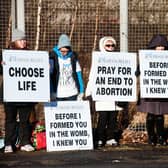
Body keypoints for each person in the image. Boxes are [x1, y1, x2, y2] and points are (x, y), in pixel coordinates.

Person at [85, 36, 124, 148]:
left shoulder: (119, 58)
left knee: (113, 118)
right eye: (108, 45)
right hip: (102, 95)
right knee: (102, 118)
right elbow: (92, 76)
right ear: (103, 46)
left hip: (115, 94)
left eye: (112, 45)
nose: (110, 47)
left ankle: (110, 138)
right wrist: (89, 92)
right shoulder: (98, 58)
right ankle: (100, 138)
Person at [1, 29, 35, 153]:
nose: (24, 42)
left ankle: (25, 142)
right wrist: (1, 65)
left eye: (25, 39)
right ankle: (8, 144)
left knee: (25, 119)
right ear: (15, 41)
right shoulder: (6, 54)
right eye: (21, 40)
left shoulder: (31, 55)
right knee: (10, 119)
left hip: (25, 93)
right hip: (10, 93)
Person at [137, 34, 168, 146]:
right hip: (149, 91)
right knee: (150, 116)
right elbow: (139, 69)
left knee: (160, 116)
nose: (160, 48)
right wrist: (138, 71)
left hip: (162, 91)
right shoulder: (146, 58)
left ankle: (160, 136)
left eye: (162, 46)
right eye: (158, 46)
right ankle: (151, 136)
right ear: (153, 47)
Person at [49, 34, 84, 101]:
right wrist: (51, 91)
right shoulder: (53, 57)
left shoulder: (73, 58)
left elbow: (78, 74)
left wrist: (81, 90)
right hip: (58, 93)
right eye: (62, 51)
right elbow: (50, 75)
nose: (64, 53)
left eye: (66, 51)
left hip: (72, 92)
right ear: (59, 48)